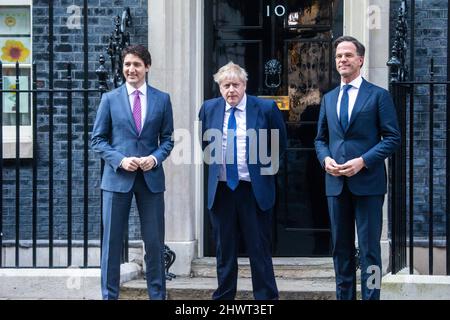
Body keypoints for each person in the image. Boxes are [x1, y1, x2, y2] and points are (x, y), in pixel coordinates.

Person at [314, 36, 400, 300]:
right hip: (336, 185)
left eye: (348, 55)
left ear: (360, 60)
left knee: (369, 249)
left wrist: (363, 161)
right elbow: (320, 139)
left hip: (368, 185)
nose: (343, 60)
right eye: (339, 56)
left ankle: (372, 297)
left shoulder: (378, 96)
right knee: (340, 249)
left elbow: (393, 138)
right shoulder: (328, 98)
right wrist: (325, 159)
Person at [198, 62, 287, 300]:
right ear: (219, 87)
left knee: (259, 250)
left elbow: (280, 145)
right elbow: (206, 145)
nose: (231, 90)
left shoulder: (266, 108)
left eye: (235, 85)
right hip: (222, 191)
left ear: (244, 85)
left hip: (253, 191)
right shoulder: (208, 109)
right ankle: (224, 298)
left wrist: (264, 173)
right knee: (224, 251)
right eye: (226, 85)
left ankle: (266, 299)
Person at [91, 45, 174, 300]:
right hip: (117, 180)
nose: (131, 70)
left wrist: (154, 158)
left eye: (136, 64)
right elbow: (98, 140)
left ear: (147, 67)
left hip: (150, 181)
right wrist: (120, 160)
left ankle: (157, 296)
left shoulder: (162, 99)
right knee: (112, 245)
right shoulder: (110, 99)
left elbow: (168, 139)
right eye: (127, 65)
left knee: (154, 244)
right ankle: (109, 296)